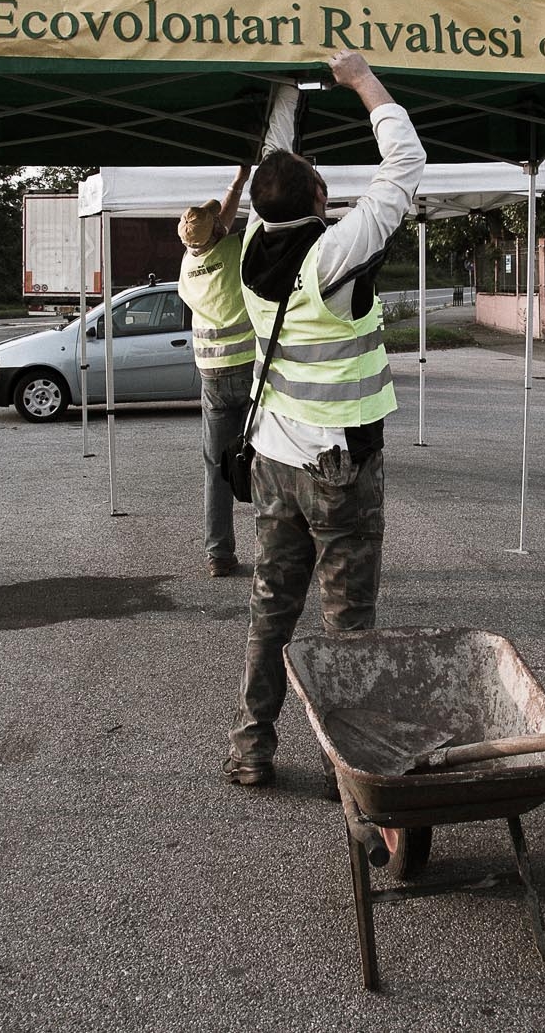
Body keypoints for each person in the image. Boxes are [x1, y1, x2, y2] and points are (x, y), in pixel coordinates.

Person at [224, 51, 425, 786]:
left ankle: (251, 746)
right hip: (340, 467)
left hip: (273, 459)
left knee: (270, 610)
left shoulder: (252, 247)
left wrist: (284, 89)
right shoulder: (331, 255)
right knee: (348, 628)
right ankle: (357, 772)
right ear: (316, 192)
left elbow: (271, 162)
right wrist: (361, 80)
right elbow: (404, 164)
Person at [177, 165, 255, 578]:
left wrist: (236, 183)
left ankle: (219, 554)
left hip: (211, 377)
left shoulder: (188, 267)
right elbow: (245, 221)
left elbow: (217, 222)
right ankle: (276, 549)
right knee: (263, 459)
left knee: (216, 466)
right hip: (248, 370)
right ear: (219, 235)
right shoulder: (235, 251)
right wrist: (247, 182)